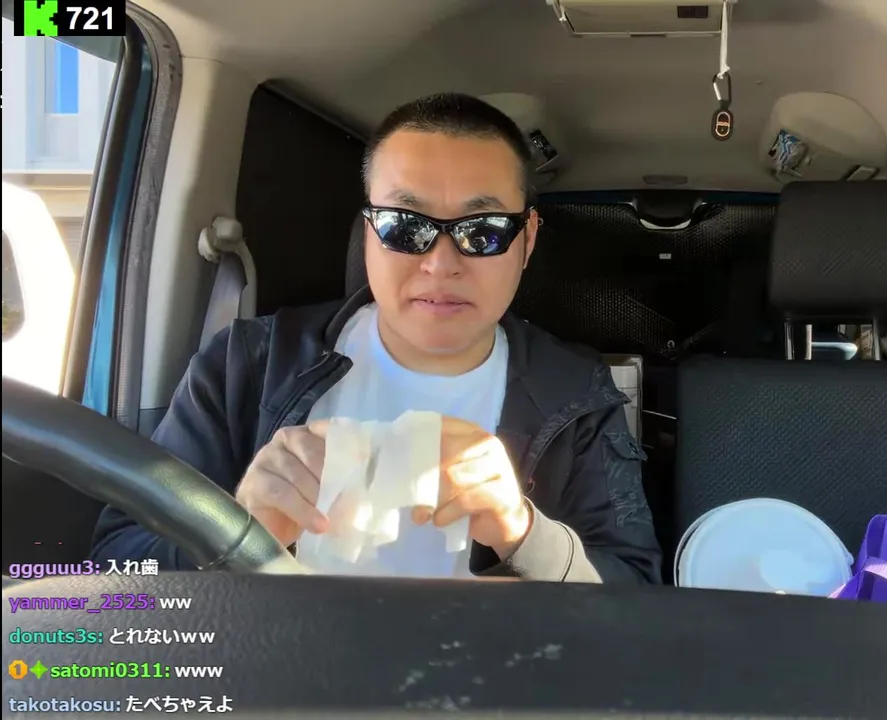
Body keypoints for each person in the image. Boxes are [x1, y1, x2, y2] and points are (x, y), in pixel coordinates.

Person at [90, 93, 662, 584]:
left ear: (527, 240)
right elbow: (116, 569)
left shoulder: (578, 395)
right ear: (369, 231)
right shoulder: (249, 364)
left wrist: (524, 533)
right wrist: (237, 532)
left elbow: (635, 592)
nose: (441, 264)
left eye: (483, 231)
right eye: (405, 226)